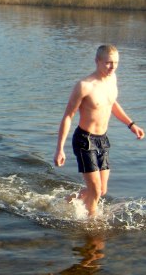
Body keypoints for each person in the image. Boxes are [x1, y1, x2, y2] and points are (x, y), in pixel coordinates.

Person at [54, 45, 144, 217]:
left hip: (102, 139)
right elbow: (67, 117)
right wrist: (60, 149)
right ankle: (93, 226)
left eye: (115, 63)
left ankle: (65, 202)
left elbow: (111, 103)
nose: (112, 67)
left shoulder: (112, 79)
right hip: (84, 140)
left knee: (101, 190)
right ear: (97, 61)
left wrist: (131, 125)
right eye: (108, 63)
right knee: (94, 191)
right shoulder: (84, 86)